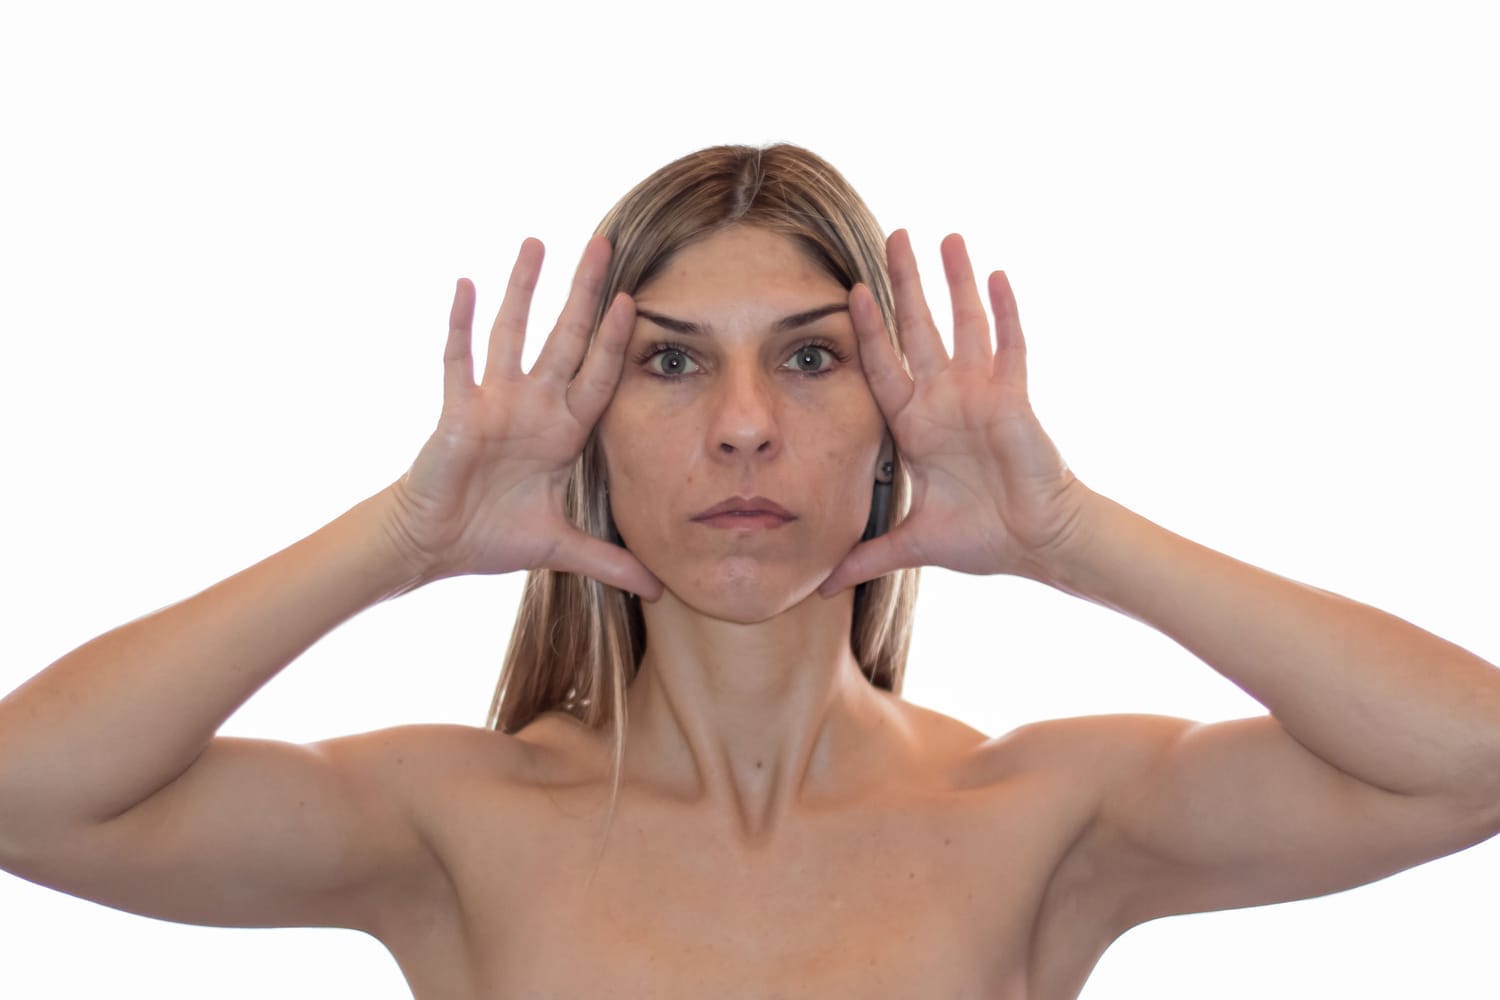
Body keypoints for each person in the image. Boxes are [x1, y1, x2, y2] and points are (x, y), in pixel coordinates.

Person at [1, 142, 1497, 998]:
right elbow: (27, 797)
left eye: (810, 359)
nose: (741, 426)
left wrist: (1073, 535)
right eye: (670, 363)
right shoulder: (453, 821)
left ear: (896, 415)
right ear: (588, 424)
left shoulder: (1041, 817)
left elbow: (1473, 760)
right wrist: (402, 538)